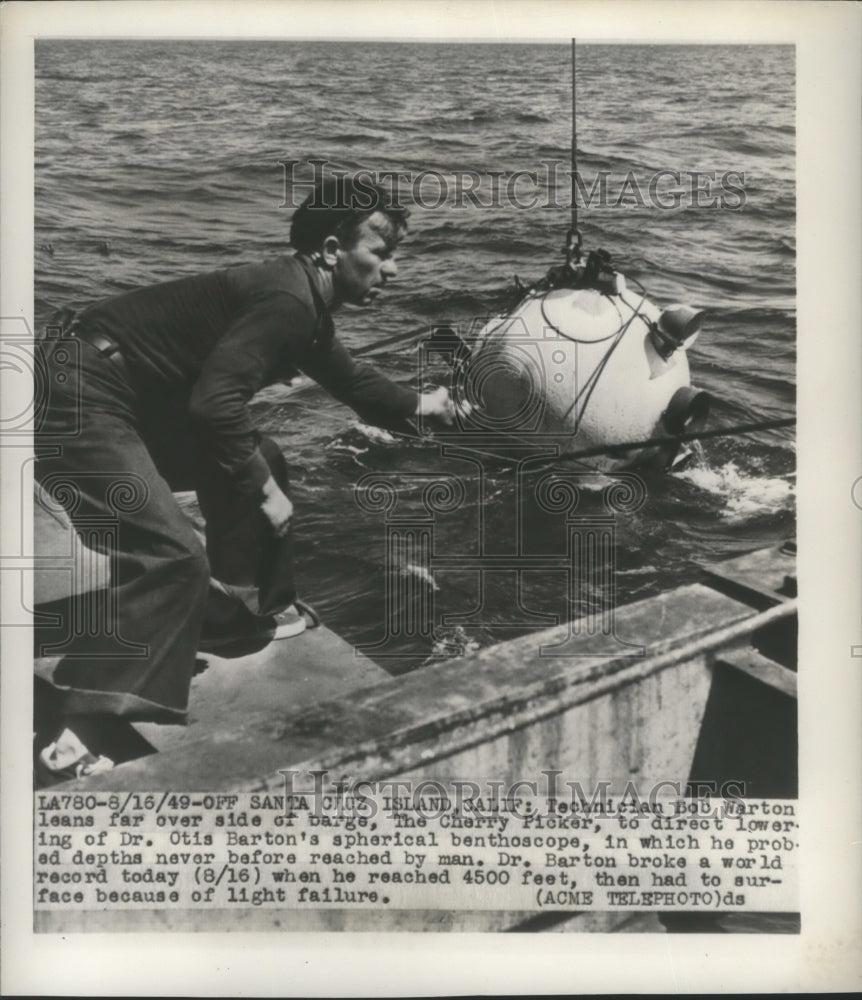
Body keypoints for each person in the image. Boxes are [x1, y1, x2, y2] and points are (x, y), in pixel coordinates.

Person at [35, 176, 455, 784]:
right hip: (77, 392)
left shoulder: (303, 305)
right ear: (333, 251)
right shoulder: (288, 303)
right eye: (381, 253)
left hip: (120, 391)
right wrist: (263, 489)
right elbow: (215, 407)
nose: (393, 270)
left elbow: (355, 382)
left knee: (267, 454)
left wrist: (424, 405)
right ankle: (81, 728)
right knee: (174, 556)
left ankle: (238, 614)